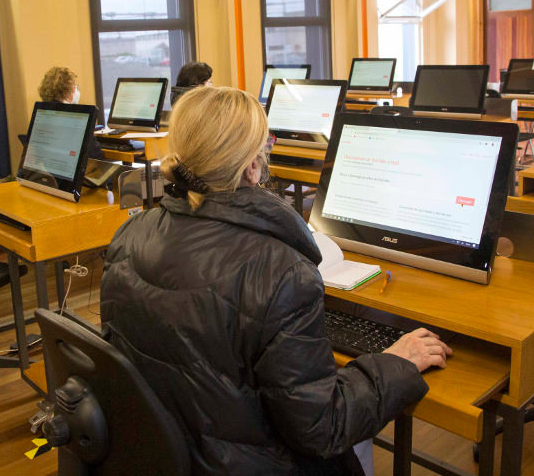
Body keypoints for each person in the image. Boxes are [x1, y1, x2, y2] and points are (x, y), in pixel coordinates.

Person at [101, 86, 449, 475]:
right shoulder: (281, 271)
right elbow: (322, 428)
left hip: (172, 453)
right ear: (253, 166)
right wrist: (394, 363)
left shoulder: (129, 235)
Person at [38, 66, 102, 159]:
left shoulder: (42, 114)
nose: (77, 91)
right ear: (68, 90)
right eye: (76, 87)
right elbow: (95, 154)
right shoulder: (76, 118)